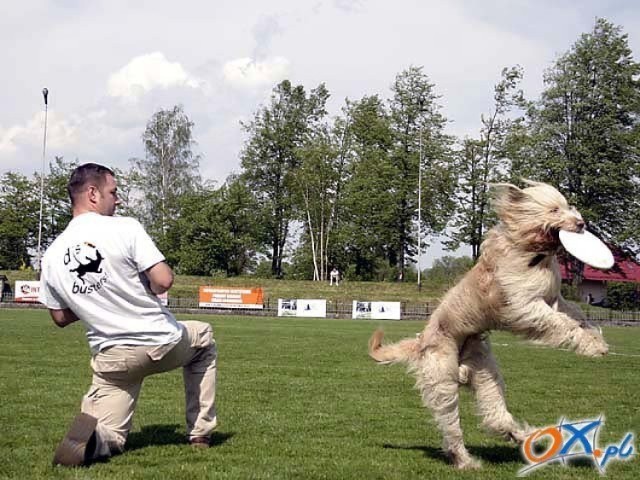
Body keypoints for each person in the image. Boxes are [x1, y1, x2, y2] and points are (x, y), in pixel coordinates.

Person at [39, 163, 218, 467]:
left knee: (113, 433)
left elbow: (59, 317)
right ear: (93, 194)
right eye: (114, 191)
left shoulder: (52, 255)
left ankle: (96, 438)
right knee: (204, 339)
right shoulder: (125, 227)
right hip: (160, 343)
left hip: (111, 358)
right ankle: (199, 433)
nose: (118, 199)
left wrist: (94, 301)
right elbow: (163, 280)